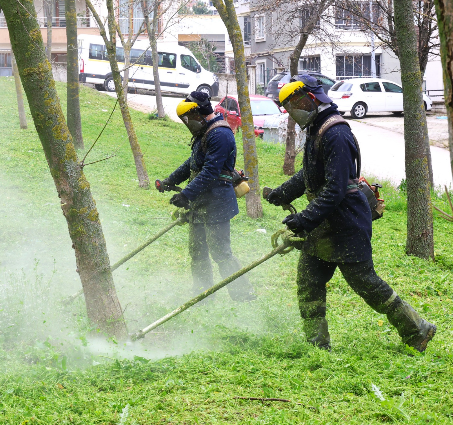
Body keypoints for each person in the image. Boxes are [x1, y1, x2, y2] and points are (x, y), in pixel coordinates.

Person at [265, 75, 436, 352]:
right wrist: (284, 192)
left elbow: (335, 189)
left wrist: (304, 219)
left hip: (346, 222)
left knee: (366, 283)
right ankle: (316, 344)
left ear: (313, 98)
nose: (294, 111)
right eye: (289, 106)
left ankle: (418, 328)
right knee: (309, 281)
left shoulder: (336, 133)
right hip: (324, 223)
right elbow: (311, 173)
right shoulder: (317, 129)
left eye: (297, 103)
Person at [157, 90, 254, 302]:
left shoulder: (220, 134)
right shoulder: (205, 131)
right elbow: (192, 164)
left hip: (217, 201)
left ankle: (243, 294)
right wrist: (170, 181)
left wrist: (186, 194)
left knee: (220, 252)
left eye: (189, 118)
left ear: (201, 113)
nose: (187, 122)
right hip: (201, 200)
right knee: (197, 250)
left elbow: (210, 171)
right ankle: (203, 293)